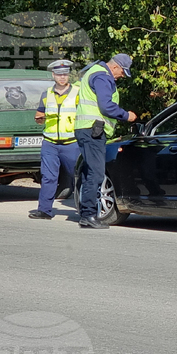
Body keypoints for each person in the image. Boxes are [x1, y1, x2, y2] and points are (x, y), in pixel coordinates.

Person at [74, 53, 137, 229]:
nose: (122, 76)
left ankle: (87, 213)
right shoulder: (102, 76)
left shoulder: (95, 72)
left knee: (90, 172)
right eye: (123, 72)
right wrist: (126, 115)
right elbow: (106, 106)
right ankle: (88, 215)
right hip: (92, 130)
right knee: (96, 173)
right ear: (115, 66)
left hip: (87, 128)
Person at [28, 60, 81, 220]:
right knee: (48, 177)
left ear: (69, 75)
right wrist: (39, 119)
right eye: (59, 74)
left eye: (65, 74)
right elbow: (39, 115)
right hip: (50, 143)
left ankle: (85, 211)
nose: (62, 77)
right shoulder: (47, 94)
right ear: (53, 75)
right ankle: (44, 210)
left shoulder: (77, 93)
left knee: (78, 177)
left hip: (71, 143)